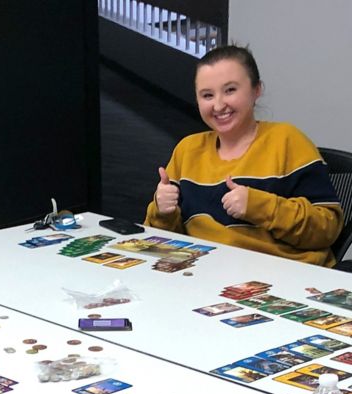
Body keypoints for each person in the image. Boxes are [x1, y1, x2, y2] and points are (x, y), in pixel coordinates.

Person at [144, 44, 342, 266]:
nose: (218, 105)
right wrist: (162, 212)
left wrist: (257, 206)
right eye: (207, 95)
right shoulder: (187, 150)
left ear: (256, 90)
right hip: (206, 276)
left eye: (230, 90)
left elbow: (327, 229)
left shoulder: (288, 140)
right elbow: (162, 244)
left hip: (282, 278)